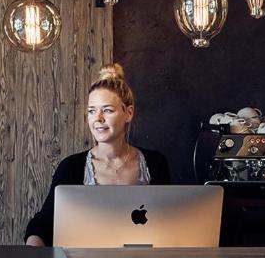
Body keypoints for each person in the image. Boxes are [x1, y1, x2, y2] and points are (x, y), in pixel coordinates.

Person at [24, 63, 171, 246]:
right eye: (92, 111)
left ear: (129, 113)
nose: (98, 119)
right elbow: (43, 224)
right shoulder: (71, 167)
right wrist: (32, 256)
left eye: (107, 110)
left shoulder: (155, 163)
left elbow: (169, 222)